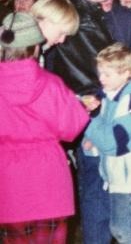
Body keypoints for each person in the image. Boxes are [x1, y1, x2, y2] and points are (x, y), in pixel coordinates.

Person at [0, 12, 89, 244]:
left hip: (7, 187)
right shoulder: (50, 83)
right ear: (35, 46)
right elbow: (72, 127)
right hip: (49, 184)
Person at [51, 0, 115, 244]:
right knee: (98, 186)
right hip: (93, 110)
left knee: (96, 185)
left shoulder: (87, 14)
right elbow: (111, 65)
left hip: (86, 108)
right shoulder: (83, 20)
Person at [82, 44, 131, 244]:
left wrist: (88, 119)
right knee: (119, 229)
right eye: (100, 73)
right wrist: (92, 142)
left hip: (130, 179)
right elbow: (103, 136)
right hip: (117, 177)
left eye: (107, 74)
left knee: (130, 232)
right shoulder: (110, 98)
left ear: (126, 73)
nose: (101, 79)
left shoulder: (130, 103)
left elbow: (113, 142)